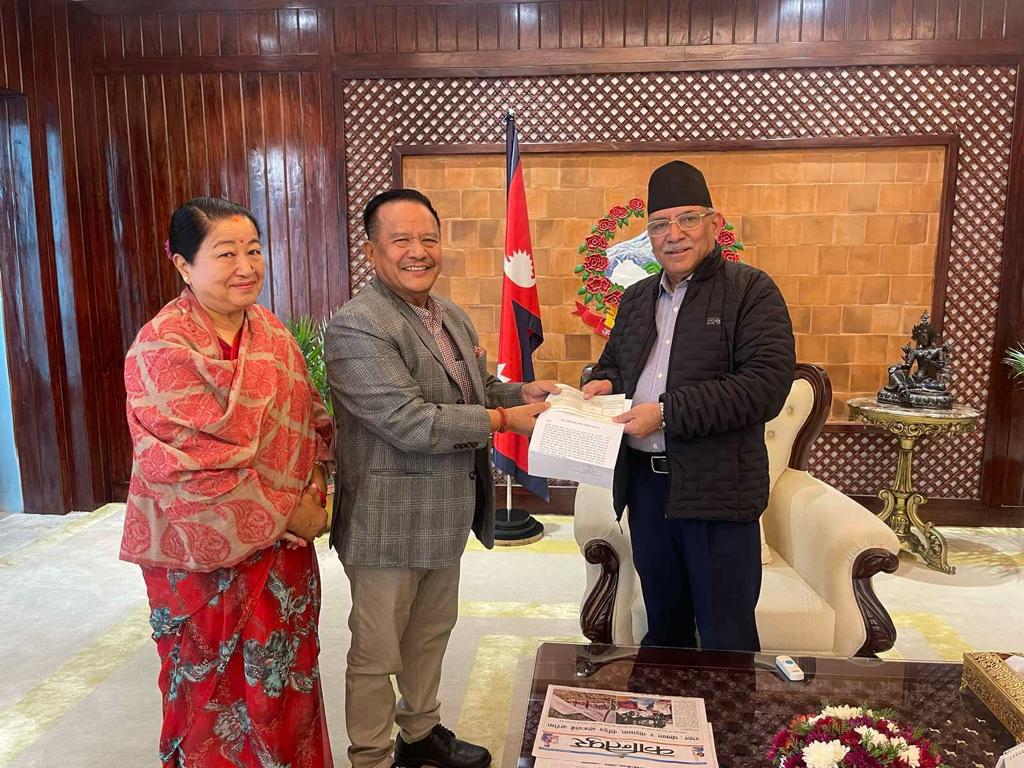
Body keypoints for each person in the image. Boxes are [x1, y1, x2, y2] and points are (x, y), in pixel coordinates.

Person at [324, 188, 558, 768]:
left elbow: (473, 389)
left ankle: (420, 734)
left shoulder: (447, 313)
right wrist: (503, 420)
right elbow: (409, 420)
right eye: (401, 239)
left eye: (428, 238)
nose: (419, 251)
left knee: (430, 635)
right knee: (377, 654)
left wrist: (519, 392)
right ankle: (371, 756)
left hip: (445, 511)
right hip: (385, 521)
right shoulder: (358, 326)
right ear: (371, 251)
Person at [120, 197, 335, 767]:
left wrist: (317, 491)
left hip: (284, 555)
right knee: (209, 696)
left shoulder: (272, 333)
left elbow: (310, 422)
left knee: (283, 683)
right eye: (226, 253)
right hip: (199, 557)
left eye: (254, 251)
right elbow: (184, 466)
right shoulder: (161, 347)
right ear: (183, 264)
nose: (246, 266)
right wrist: (288, 512)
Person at [583, 160, 795, 652]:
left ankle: (730, 708)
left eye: (687, 219)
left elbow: (764, 386)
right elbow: (614, 365)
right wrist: (600, 383)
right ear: (649, 236)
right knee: (665, 629)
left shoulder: (751, 290)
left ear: (714, 223)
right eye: (660, 224)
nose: (673, 235)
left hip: (718, 491)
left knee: (726, 638)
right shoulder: (636, 299)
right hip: (646, 489)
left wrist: (665, 413)